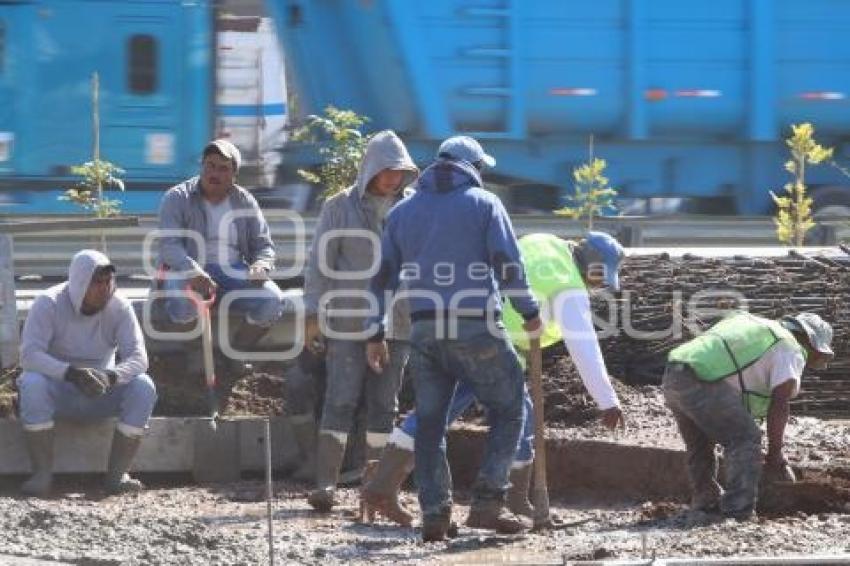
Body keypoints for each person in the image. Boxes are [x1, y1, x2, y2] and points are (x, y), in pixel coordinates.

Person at [361, 232, 626, 527]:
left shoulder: (544, 241)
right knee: (513, 415)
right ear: (592, 266)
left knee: (444, 410)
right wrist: (607, 401)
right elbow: (584, 347)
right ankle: (491, 503)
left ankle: (515, 502)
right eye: (600, 278)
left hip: (456, 318)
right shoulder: (569, 288)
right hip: (490, 344)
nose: (598, 285)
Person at [366, 135, 541, 541]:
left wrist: (375, 332)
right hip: (475, 323)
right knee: (511, 407)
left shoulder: (403, 211)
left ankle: (435, 514)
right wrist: (529, 310)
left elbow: (381, 280)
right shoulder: (485, 204)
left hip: (424, 330)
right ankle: (487, 503)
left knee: (430, 424)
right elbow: (508, 263)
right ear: (473, 168)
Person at [303, 130, 419, 511]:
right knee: (340, 399)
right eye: (387, 170)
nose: (393, 178)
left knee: (385, 404)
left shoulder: (412, 208)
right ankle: (325, 486)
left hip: (398, 324)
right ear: (370, 168)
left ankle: (376, 489)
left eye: (399, 171)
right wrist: (312, 315)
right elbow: (320, 263)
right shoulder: (339, 207)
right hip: (347, 322)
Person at [662, 310, 833, 520]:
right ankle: (738, 510)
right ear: (810, 341)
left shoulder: (756, 326)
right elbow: (780, 403)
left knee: (700, 443)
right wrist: (775, 453)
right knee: (745, 437)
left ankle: (705, 501)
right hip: (701, 380)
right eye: (816, 355)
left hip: (674, 374)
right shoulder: (789, 347)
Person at [18, 250, 158, 497]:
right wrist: (70, 373)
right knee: (31, 383)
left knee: (143, 386)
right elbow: (29, 355)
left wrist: (110, 377)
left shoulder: (120, 307)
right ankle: (41, 475)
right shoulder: (48, 303)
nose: (104, 289)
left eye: (107, 282)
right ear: (80, 282)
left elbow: (139, 358)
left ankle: (117, 477)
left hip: (101, 392)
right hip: (59, 390)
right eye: (96, 282)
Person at [155, 138, 285, 373]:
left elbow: (263, 245)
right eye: (209, 166)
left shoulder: (245, 201)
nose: (214, 173)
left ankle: (235, 351)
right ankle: (196, 352)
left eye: (222, 168)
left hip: (233, 269)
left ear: (234, 173)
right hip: (186, 268)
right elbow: (169, 245)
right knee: (183, 302)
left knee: (272, 300)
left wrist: (261, 265)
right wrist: (194, 271)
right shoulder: (177, 197)